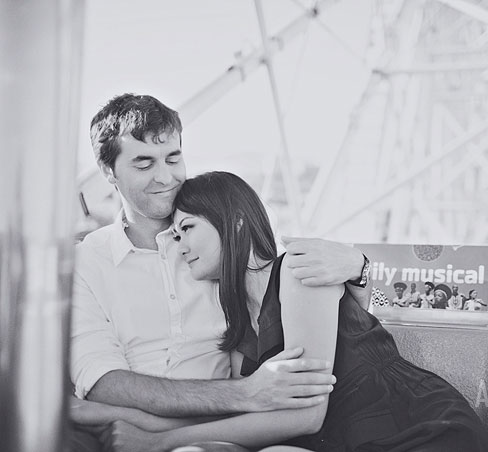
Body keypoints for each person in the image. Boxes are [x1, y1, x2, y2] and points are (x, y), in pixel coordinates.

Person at [75, 172, 487, 451]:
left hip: (412, 428)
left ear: (235, 224)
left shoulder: (299, 269)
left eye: (188, 229)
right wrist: (111, 414)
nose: (179, 247)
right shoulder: (237, 325)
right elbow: (245, 411)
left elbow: (305, 415)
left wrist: (157, 442)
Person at [70, 94, 372, 448]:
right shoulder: (86, 262)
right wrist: (246, 393)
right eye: (143, 163)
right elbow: (102, 380)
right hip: (145, 422)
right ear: (108, 171)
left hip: (221, 432)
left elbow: (306, 307)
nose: (165, 176)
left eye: (173, 158)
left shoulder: (225, 235)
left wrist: (359, 268)